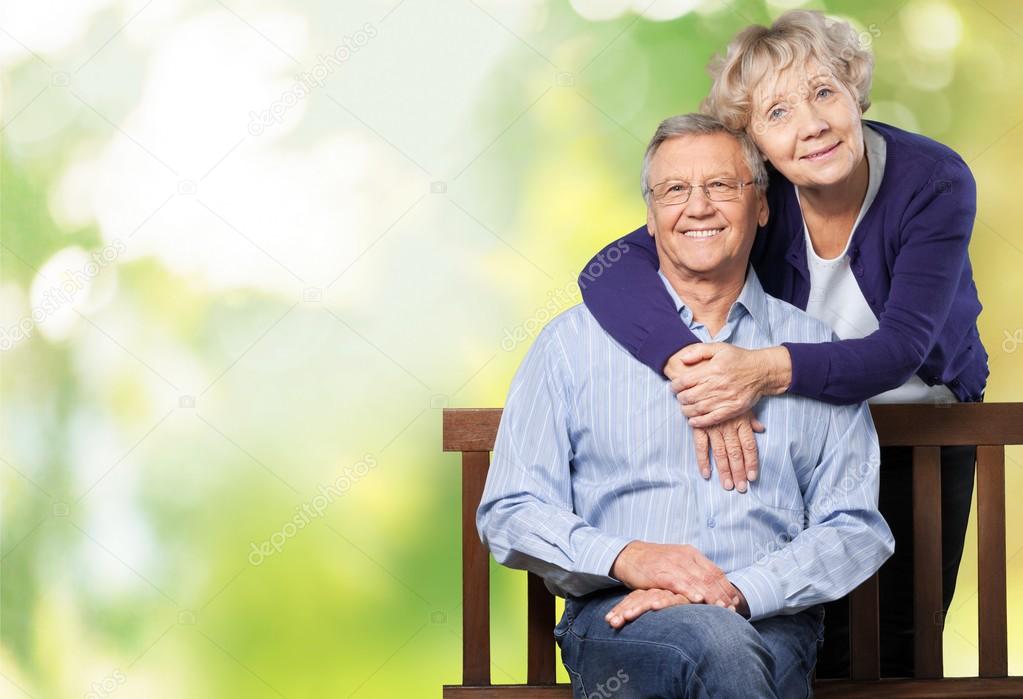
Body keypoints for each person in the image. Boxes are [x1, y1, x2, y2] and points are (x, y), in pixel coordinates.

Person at [577, 11, 986, 678]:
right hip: (809, 434)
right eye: (776, 112)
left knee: (898, 654)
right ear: (754, 145)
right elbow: (611, 268)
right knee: (797, 633)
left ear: (854, 92)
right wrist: (694, 364)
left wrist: (757, 372)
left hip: (921, 428)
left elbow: (899, 351)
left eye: (824, 92)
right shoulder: (756, 200)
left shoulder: (932, 181)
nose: (812, 123)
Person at [478, 114, 893, 699]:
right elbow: (511, 509)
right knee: (719, 649)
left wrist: (737, 592)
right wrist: (628, 558)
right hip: (619, 620)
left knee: (726, 645)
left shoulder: (813, 352)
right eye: (675, 190)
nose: (698, 207)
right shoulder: (572, 345)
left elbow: (854, 527)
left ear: (763, 206)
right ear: (650, 217)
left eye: (722, 186)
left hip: (767, 618)